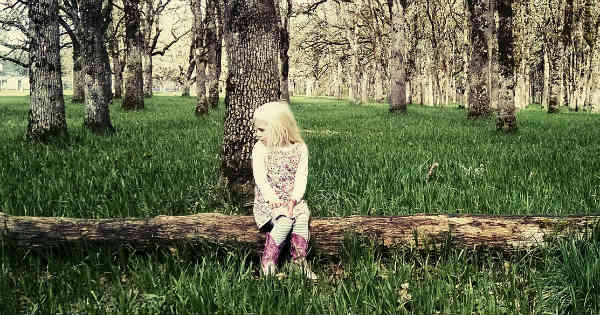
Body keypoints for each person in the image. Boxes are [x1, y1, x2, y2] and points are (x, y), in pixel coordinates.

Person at [252, 100, 317, 280]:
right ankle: (268, 261)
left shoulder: (299, 148)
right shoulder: (260, 149)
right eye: (257, 129)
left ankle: (299, 262)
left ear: (279, 128)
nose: (257, 134)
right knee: (285, 222)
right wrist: (272, 199)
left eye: (262, 130)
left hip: (291, 200)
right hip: (269, 202)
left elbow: (301, 177)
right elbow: (261, 179)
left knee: (302, 218)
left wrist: (294, 199)